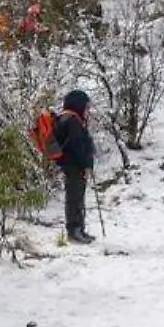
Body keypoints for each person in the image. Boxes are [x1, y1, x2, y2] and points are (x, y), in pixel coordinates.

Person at [54, 89, 95, 244]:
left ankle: (79, 229)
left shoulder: (67, 118)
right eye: (86, 107)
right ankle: (74, 231)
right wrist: (86, 165)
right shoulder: (72, 121)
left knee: (76, 197)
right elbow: (78, 146)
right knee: (75, 198)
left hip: (72, 165)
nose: (87, 110)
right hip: (75, 166)